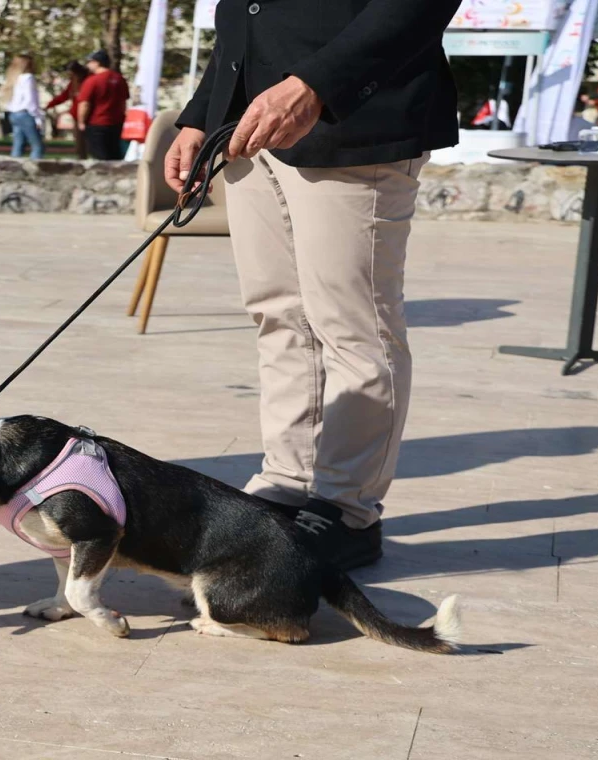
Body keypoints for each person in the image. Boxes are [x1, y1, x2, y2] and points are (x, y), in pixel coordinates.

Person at [164, 0, 462, 570]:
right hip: (249, 128)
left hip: (351, 117)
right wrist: (201, 115)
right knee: (278, 316)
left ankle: (346, 510)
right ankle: (286, 483)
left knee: (354, 328)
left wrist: (315, 84)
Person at [75, 50, 129, 160]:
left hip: (97, 124)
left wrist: (81, 121)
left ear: (97, 62)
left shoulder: (92, 81)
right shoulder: (119, 79)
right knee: (115, 155)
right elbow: (124, 101)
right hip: (116, 123)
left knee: (99, 157)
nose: (88, 65)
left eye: (89, 62)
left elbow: (84, 104)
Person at [2, 54, 44, 160]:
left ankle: (13, 169)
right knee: (37, 146)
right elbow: (30, 100)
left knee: (18, 145)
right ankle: (36, 170)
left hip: (14, 114)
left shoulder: (14, 78)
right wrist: (37, 117)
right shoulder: (28, 78)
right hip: (26, 114)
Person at [45, 61, 90, 159]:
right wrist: (50, 104)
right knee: (79, 142)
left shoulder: (87, 81)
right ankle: (82, 158)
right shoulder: (73, 83)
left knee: (88, 141)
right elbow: (64, 96)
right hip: (76, 115)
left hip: (88, 115)